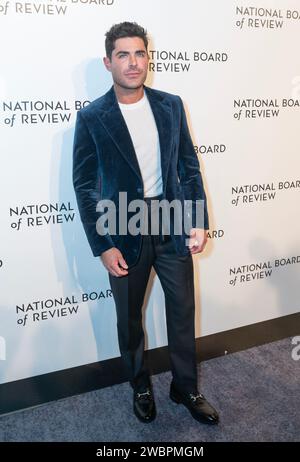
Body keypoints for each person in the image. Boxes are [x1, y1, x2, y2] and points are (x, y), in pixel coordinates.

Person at [73, 21, 219, 425]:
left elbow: (189, 167)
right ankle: (140, 385)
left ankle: (185, 386)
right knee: (129, 318)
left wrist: (197, 218)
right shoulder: (93, 117)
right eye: (123, 55)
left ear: (147, 58)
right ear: (108, 62)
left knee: (183, 311)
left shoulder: (171, 103)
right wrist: (102, 244)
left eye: (139, 53)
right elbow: (84, 185)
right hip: (122, 226)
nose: (133, 63)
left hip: (171, 223)